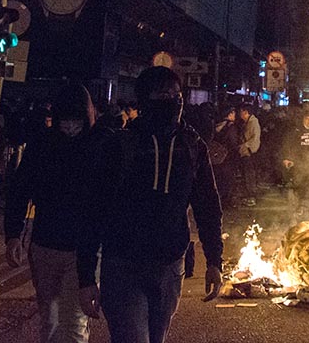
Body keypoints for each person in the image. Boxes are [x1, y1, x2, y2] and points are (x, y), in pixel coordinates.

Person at [77, 66, 222, 343]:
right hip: (123, 266)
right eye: (162, 94)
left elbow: (208, 207)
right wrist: (85, 277)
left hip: (170, 267)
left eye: (176, 94)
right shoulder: (119, 146)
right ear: (145, 100)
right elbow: (94, 211)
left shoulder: (192, 146)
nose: (171, 100)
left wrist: (215, 260)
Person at [5, 84, 104, 343]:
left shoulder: (98, 148)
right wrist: (13, 235)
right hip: (44, 246)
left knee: (72, 325)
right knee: (49, 321)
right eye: (65, 121)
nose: (71, 127)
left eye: (77, 121)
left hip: (83, 251)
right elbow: (19, 189)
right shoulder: (42, 146)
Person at [282, 111, 309, 221]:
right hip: (299, 162)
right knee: (299, 184)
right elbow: (290, 145)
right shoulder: (297, 131)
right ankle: (299, 206)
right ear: (303, 120)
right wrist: (288, 158)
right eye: (307, 119)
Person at [237, 105, 261, 207]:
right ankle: (249, 195)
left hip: (250, 153)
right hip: (247, 152)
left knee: (249, 175)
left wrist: (245, 146)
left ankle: (252, 196)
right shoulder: (248, 122)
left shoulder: (253, 122)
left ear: (246, 112)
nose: (240, 114)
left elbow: (255, 138)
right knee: (247, 174)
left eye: (241, 112)